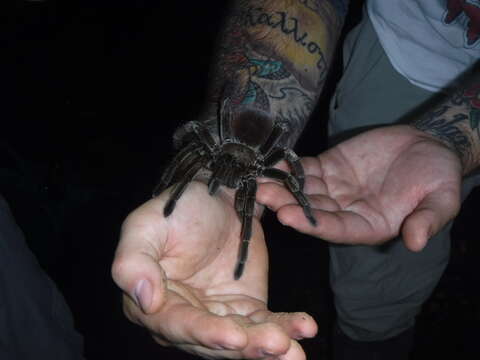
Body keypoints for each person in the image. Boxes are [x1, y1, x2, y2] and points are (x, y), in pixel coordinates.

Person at [112, 1, 480, 359]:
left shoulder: (262, 166)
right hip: (409, 52)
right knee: (369, 269)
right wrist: (199, 182)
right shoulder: (223, 149)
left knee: (401, 253)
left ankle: (378, 338)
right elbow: (202, 128)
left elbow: (287, 160)